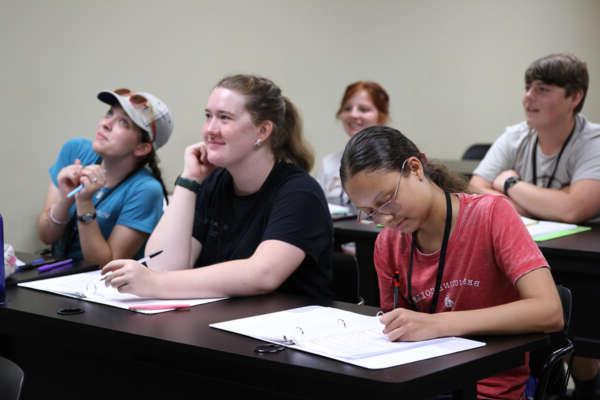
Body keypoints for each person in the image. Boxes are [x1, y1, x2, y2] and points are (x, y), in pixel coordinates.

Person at [340, 125, 563, 400]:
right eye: (369, 212)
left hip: (489, 388)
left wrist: (439, 323)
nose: (385, 219)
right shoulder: (388, 244)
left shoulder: (492, 215)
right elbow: (400, 335)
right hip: (425, 384)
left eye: (386, 201)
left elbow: (549, 311)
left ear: (415, 168)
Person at [102, 74, 333, 302]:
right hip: (223, 325)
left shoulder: (299, 192)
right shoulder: (214, 182)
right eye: (208, 116)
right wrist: (188, 181)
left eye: (224, 118)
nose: (210, 129)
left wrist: (153, 283)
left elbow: (262, 274)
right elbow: (163, 264)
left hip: (286, 331)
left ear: (262, 131)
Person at [469, 53, 600, 399]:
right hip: (531, 251)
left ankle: (586, 388)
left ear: (574, 97)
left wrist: (511, 185)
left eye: (542, 89)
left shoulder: (594, 142)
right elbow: (476, 186)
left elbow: (574, 208)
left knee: (584, 328)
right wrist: (528, 205)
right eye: (527, 87)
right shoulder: (516, 135)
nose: (528, 97)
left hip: (586, 261)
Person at [37, 88, 173, 266]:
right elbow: (46, 236)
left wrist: (84, 203)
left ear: (142, 148)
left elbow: (105, 265)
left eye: (124, 122)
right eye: (109, 113)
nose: (106, 124)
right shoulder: (75, 150)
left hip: (102, 287)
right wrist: (65, 198)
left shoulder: (146, 189)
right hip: (56, 273)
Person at [316, 81, 390, 202]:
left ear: (382, 116)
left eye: (364, 109)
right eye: (347, 108)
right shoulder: (329, 164)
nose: (353, 114)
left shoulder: (394, 161)